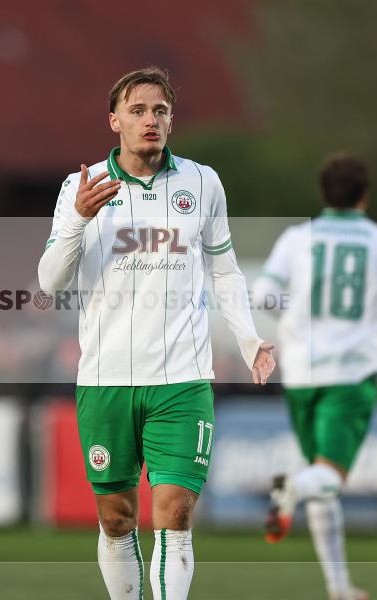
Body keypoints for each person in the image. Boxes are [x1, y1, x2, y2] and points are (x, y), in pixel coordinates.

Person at [38, 66, 275, 600]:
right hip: (106, 380)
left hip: (182, 379)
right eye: (139, 110)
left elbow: (224, 269)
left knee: (176, 510)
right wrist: (77, 219)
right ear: (114, 121)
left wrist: (249, 338)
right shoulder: (82, 188)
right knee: (117, 519)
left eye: (161, 110)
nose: (151, 120)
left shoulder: (201, 182)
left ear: (172, 120)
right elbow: (49, 282)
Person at [253, 155, 377, 600]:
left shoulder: (296, 238)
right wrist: (363, 326)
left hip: (301, 370)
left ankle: (339, 588)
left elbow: (264, 294)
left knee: (322, 477)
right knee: (326, 477)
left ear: (324, 193)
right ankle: (291, 489)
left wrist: (300, 320)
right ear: (364, 194)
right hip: (352, 370)